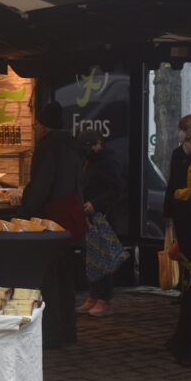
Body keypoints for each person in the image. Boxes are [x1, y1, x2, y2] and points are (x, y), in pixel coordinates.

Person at [22, 100, 83, 347]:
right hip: (71, 218)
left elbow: (42, 185)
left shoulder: (47, 147)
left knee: (50, 277)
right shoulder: (73, 145)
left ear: (44, 126)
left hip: (51, 220)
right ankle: (68, 330)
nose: (35, 128)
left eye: (36, 124)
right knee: (66, 277)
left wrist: (27, 210)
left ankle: (52, 333)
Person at [75, 130, 124, 317]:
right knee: (92, 256)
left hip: (102, 215)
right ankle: (94, 296)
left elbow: (117, 189)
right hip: (92, 214)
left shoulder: (107, 163)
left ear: (98, 144)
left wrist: (96, 204)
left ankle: (104, 299)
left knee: (102, 256)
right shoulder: (91, 162)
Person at [162, 114, 191, 223]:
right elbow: (172, 184)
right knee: (176, 240)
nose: (181, 133)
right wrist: (167, 212)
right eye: (181, 129)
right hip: (180, 208)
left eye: (185, 129)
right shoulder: (178, 154)